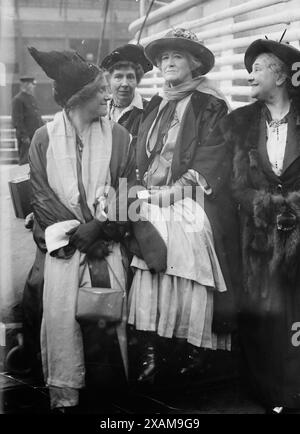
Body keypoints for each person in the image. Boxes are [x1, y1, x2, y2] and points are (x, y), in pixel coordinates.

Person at [127, 28, 240, 383]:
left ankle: (191, 348)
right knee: (139, 245)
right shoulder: (156, 104)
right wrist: (139, 193)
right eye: (163, 58)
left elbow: (212, 158)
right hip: (147, 195)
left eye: (177, 57)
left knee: (186, 243)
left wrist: (172, 194)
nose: (168, 63)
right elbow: (138, 158)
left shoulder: (211, 104)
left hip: (193, 198)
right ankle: (151, 345)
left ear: (194, 64)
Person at [27, 46, 135, 412]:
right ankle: (67, 398)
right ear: (78, 99)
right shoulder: (43, 139)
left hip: (107, 249)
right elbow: (41, 199)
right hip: (66, 252)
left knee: (107, 327)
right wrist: (82, 235)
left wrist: (101, 228)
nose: (109, 95)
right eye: (101, 89)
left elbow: (128, 192)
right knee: (64, 328)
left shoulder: (120, 137)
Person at [205, 37, 300, 413]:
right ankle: (270, 394)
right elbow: (233, 185)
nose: (250, 76)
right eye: (249, 70)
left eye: (258, 68)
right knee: (264, 316)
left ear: (280, 75)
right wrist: (266, 208)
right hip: (257, 239)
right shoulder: (239, 124)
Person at [101, 43, 152, 148]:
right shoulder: (99, 110)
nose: (124, 84)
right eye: (118, 77)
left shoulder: (149, 112)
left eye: (130, 77)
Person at [11, 76, 43, 165]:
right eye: (32, 84)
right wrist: (24, 136)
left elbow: (37, 117)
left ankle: (33, 179)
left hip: (35, 135)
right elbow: (17, 120)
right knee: (25, 161)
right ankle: (24, 179)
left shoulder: (31, 98)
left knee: (36, 162)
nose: (33, 87)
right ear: (26, 85)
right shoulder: (18, 99)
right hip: (26, 137)